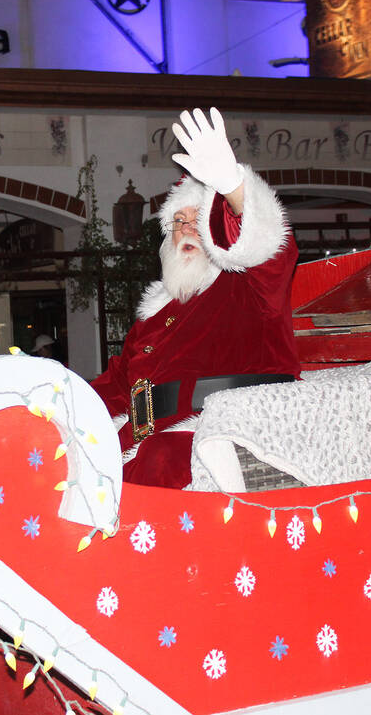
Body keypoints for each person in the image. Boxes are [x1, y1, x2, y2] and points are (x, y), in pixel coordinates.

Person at [90, 107, 300, 488]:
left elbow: (269, 250)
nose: (186, 230)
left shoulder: (248, 285)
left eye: (196, 219)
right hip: (141, 441)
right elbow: (115, 388)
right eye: (177, 221)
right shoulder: (155, 314)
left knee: (159, 463)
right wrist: (51, 398)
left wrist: (233, 187)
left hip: (223, 435)